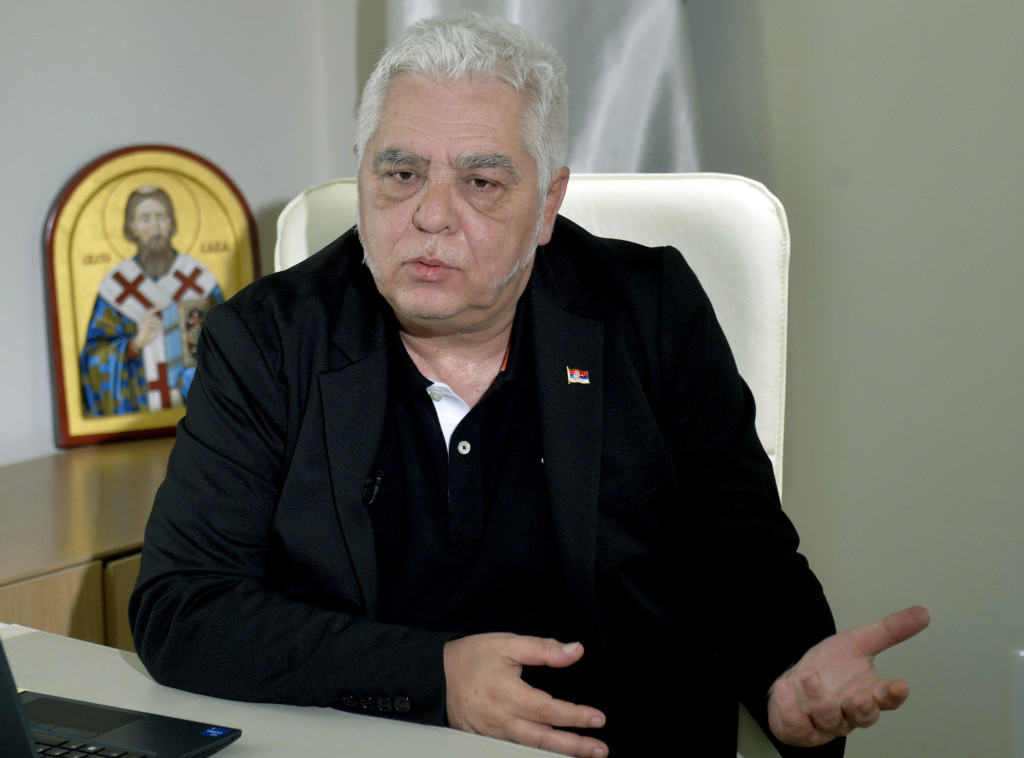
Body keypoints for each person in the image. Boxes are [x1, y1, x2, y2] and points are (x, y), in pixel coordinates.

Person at [129, 13, 928, 758]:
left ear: (547, 205)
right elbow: (182, 607)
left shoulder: (650, 312)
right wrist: (433, 677)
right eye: (401, 172)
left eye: (481, 182)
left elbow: (744, 562)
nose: (431, 215)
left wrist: (788, 680)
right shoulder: (267, 339)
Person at [80, 186, 223, 416]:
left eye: (161, 217)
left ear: (172, 223)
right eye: (145, 219)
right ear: (132, 228)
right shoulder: (116, 287)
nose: (155, 228)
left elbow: (226, 346)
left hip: (199, 416)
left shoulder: (200, 281)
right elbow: (94, 357)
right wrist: (134, 344)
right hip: (137, 410)